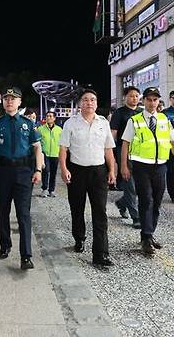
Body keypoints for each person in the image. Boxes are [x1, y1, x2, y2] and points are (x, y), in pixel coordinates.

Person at [0, 87, 43, 270]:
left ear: (19, 102)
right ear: (3, 102)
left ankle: (26, 255)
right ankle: (5, 245)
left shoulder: (28, 123)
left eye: (13, 99)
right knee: (4, 210)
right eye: (6, 98)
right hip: (2, 172)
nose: (9, 101)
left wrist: (38, 170)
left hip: (24, 172)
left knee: (23, 213)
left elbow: (37, 148)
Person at [120, 87, 174, 255]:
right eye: (149, 99)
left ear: (158, 101)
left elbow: (173, 142)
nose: (152, 103)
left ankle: (149, 233)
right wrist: (124, 166)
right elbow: (125, 144)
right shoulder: (134, 121)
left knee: (156, 202)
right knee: (146, 200)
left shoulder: (164, 119)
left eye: (155, 100)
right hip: (141, 166)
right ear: (144, 101)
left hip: (161, 166)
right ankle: (146, 237)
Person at [59, 89, 116, 266]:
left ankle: (101, 253)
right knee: (77, 208)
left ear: (96, 104)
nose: (89, 103)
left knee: (100, 212)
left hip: (98, 172)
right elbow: (63, 149)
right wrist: (64, 168)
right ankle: (79, 237)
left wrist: (112, 170)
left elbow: (108, 149)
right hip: (77, 172)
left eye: (92, 100)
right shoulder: (70, 123)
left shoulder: (103, 123)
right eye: (85, 100)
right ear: (79, 104)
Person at [110, 86, 142, 228]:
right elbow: (113, 134)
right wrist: (111, 154)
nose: (134, 98)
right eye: (131, 96)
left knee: (138, 186)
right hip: (124, 152)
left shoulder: (142, 113)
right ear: (125, 97)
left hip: (141, 154)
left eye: (136, 96)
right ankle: (136, 217)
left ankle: (121, 203)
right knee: (130, 186)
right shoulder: (119, 113)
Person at [39, 111, 62, 197]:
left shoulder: (59, 130)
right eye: (47, 116)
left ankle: (51, 190)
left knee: (53, 173)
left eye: (50, 116)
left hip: (55, 154)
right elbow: (38, 142)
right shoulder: (41, 129)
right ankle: (44, 189)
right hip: (45, 154)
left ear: (54, 118)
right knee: (45, 171)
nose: (48, 118)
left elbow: (62, 142)